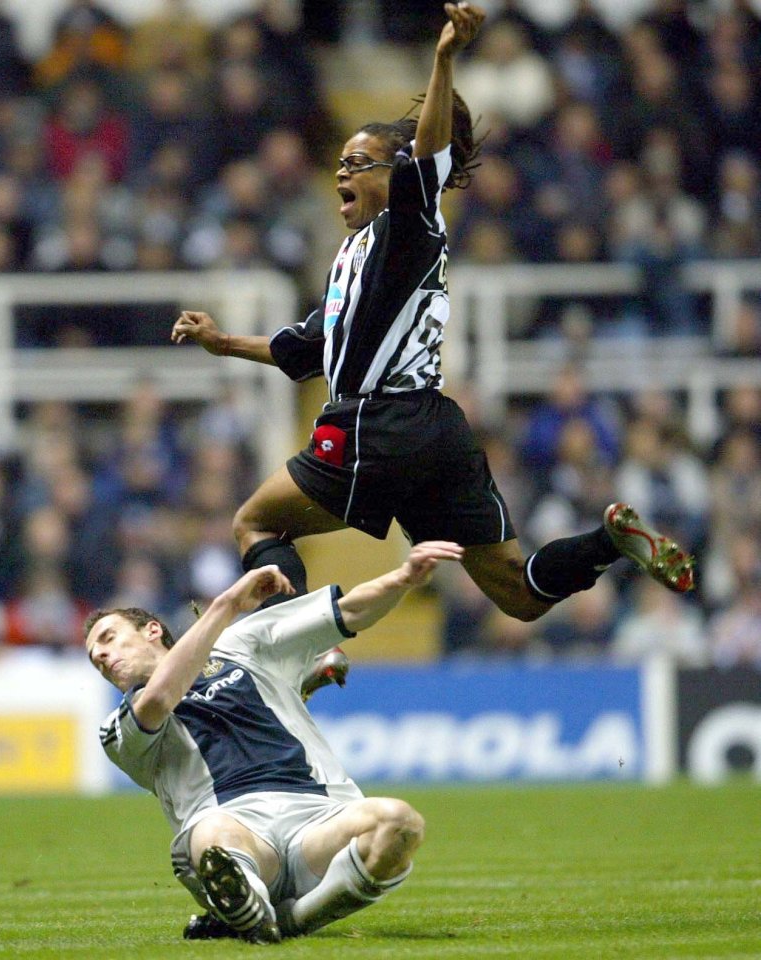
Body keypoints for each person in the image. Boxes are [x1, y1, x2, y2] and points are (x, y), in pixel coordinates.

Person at [170, 3, 694, 621]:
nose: (342, 168)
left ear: (393, 174)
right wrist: (225, 341)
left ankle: (297, 644)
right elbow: (305, 350)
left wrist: (444, 58)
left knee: (254, 521)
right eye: (339, 160)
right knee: (518, 595)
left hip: (377, 425)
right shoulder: (357, 256)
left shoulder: (407, 226)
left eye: (358, 162)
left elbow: (428, 161)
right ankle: (611, 542)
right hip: (436, 431)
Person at [85, 540, 465, 942]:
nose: (102, 656)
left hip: (318, 822)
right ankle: (244, 898)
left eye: (108, 638)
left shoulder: (240, 644)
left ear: (152, 630)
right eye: (95, 657)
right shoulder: (116, 729)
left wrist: (404, 578)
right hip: (236, 829)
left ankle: (287, 920)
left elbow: (348, 611)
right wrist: (228, 603)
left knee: (400, 823)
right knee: (212, 839)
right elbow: (162, 696)